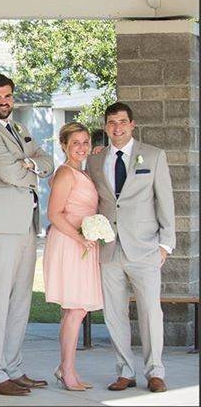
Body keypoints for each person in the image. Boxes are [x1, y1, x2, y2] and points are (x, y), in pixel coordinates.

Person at [0, 73, 54, 396]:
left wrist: (31, 164)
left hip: (25, 224)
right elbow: (9, 172)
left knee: (20, 300)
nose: (3, 102)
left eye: (7, 96)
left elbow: (47, 161)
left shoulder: (17, 128)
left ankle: (13, 367)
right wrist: (30, 166)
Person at [86, 102, 175, 393]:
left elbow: (165, 202)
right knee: (114, 314)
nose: (117, 127)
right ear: (106, 126)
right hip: (109, 249)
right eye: (112, 122)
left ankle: (155, 372)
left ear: (132, 124)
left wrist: (165, 244)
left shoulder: (153, 155)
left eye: (122, 122)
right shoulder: (95, 161)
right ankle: (125, 371)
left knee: (151, 312)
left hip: (146, 249)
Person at [43, 122, 103, 391]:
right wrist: (80, 238)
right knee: (76, 309)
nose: (81, 147)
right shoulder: (66, 173)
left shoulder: (83, 172)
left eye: (85, 142)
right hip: (70, 243)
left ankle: (65, 367)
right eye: (75, 142)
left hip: (83, 242)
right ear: (64, 145)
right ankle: (67, 371)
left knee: (74, 310)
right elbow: (54, 214)